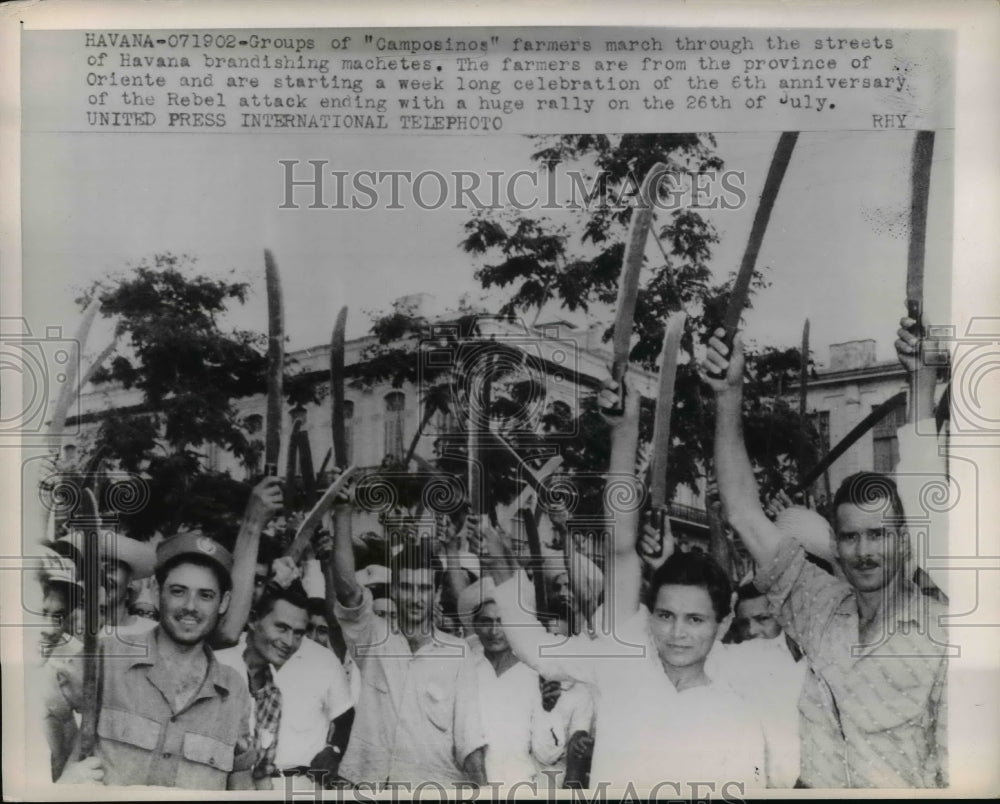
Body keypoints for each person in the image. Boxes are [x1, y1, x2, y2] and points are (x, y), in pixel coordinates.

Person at [703, 326, 948, 788]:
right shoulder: (820, 610)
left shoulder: (945, 633)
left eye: (879, 535)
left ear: (905, 540)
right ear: (834, 544)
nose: (864, 551)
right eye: (851, 538)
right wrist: (728, 393)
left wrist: (922, 383)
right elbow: (743, 511)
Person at [44, 531, 256, 788]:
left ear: (223, 602)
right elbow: (42, 711)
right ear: (156, 591)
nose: (190, 606)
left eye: (206, 595)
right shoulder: (107, 657)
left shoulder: (234, 690)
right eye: (178, 591)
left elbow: (241, 782)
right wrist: (64, 777)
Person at [324, 503, 487, 786]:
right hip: (367, 784)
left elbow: (469, 736)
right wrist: (342, 512)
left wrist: (484, 791)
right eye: (407, 587)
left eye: (424, 589)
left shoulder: (458, 655)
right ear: (395, 589)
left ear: (436, 593)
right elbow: (348, 590)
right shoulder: (374, 637)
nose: (415, 598)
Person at [457, 578, 595, 788]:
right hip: (474, 786)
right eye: (486, 621)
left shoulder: (534, 673)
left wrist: (548, 709)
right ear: (475, 625)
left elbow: (547, 754)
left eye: (502, 621)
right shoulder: (466, 670)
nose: (495, 631)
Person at [215, 581, 355, 788]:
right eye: (281, 628)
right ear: (253, 620)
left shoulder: (316, 664)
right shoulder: (220, 663)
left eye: (298, 632)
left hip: (295, 785)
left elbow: (345, 716)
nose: (289, 641)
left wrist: (333, 750)